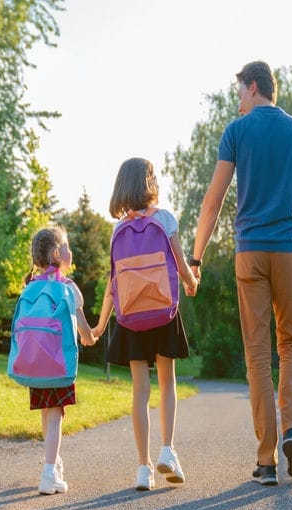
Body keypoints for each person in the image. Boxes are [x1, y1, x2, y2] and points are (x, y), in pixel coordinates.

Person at [190, 61, 292, 486]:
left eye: (239, 92)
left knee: (257, 353)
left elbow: (212, 201)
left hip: (249, 252)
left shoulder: (237, 132)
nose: (237, 102)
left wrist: (195, 259)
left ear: (254, 87)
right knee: (291, 343)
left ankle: (266, 460)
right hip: (288, 251)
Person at [92, 157, 199, 491]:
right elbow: (181, 267)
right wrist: (192, 282)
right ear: (149, 183)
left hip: (132, 316)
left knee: (140, 391)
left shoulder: (117, 230)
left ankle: (143, 468)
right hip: (162, 311)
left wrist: (99, 325)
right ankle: (167, 449)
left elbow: (113, 284)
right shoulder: (165, 219)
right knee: (167, 382)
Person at [24, 224, 97, 495]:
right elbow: (84, 332)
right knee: (56, 417)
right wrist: (93, 336)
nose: (71, 250)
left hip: (35, 363)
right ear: (56, 253)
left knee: (47, 413)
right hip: (58, 363)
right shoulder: (68, 287)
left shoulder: (31, 286)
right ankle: (48, 473)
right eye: (66, 246)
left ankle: (53, 462)